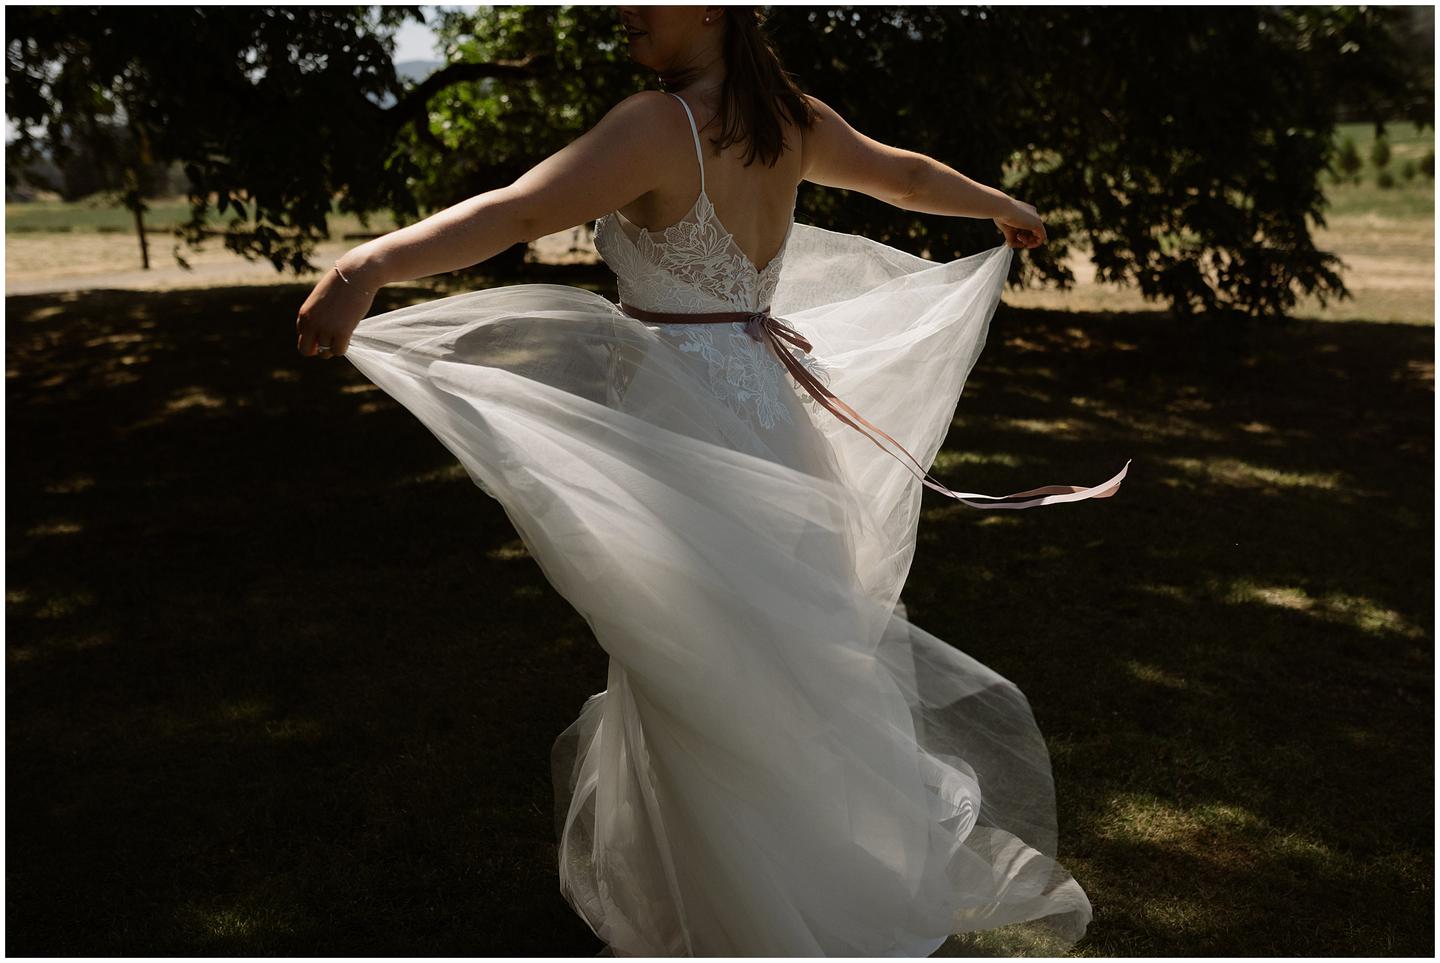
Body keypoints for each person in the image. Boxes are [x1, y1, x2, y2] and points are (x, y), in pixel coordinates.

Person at [296, 6, 1128, 956]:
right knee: (763, 667)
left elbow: (521, 211)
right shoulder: (789, 117)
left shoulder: (660, 125)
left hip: (683, 433)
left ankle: (742, 917)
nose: (619, 10)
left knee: (701, 672)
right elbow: (900, 175)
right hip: (772, 425)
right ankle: (794, 884)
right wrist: (993, 202)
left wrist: (370, 261)